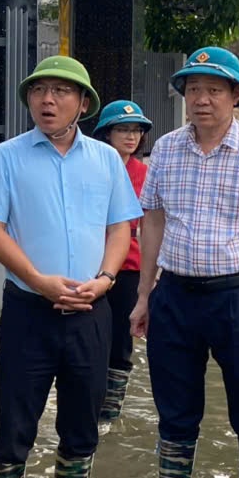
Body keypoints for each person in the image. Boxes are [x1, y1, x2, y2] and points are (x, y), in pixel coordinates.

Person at [0, 56, 139, 478]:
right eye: (39, 90)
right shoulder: (7, 156)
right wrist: (40, 282)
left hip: (90, 312)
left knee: (83, 426)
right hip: (29, 311)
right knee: (15, 424)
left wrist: (105, 280)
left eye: (61, 91)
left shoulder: (107, 159)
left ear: (83, 103)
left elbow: (120, 228)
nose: (48, 99)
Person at [130, 46, 239, 478]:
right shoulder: (164, 148)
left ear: (235, 96)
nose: (202, 99)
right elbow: (153, 221)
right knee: (174, 409)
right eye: (193, 89)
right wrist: (144, 295)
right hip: (174, 296)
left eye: (214, 89)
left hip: (238, 297)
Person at [92, 99, 152, 421]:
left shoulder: (146, 173)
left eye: (136, 130)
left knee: (121, 341)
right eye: (123, 129)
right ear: (107, 134)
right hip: (90, 265)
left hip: (130, 269)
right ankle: (86, 401)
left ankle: (110, 413)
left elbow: (154, 224)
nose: (131, 136)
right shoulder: (92, 167)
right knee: (87, 337)